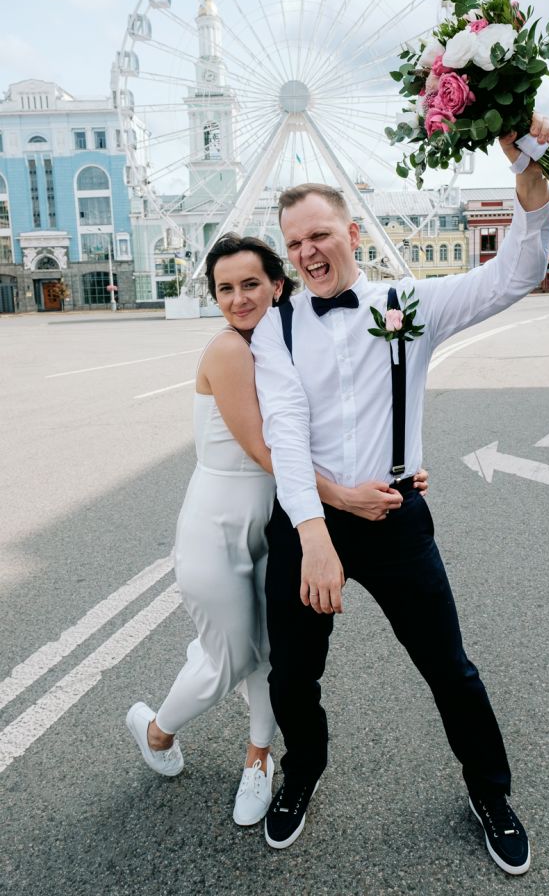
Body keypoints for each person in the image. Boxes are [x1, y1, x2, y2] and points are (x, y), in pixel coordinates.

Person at [251, 115, 549, 873]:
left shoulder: (406, 305)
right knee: (293, 675)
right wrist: (316, 534)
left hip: (394, 518)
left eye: (319, 235)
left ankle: (489, 793)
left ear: (351, 232)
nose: (306, 252)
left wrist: (527, 171)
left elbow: (512, 275)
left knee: (449, 668)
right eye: (293, 243)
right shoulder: (276, 330)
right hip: (308, 523)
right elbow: (284, 436)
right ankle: (302, 772)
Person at [126, 234, 429, 826]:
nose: (238, 299)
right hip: (217, 521)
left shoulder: (290, 341)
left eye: (251, 284)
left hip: (277, 517)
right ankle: (156, 730)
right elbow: (268, 451)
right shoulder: (229, 351)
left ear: (277, 285)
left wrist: (397, 471)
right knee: (228, 657)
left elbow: (345, 418)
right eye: (225, 289)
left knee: (274, 654)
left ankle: (258, 757)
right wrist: (344, 496)